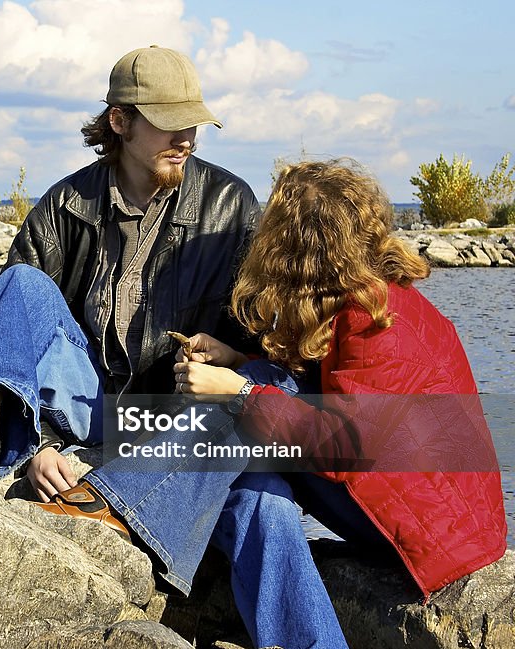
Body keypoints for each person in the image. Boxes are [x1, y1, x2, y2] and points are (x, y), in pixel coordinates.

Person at [39, 159, 508, 648]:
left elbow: (348, 444)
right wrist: (235, 357)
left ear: (299, 249)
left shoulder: (378, 320)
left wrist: (237, 389)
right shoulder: (369, 294)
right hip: (420, 505)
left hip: (432, 529)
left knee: (254, 392)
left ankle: (118, 501)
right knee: (258, 495)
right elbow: (324, 384)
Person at [0, 45, 260, 499]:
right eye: (169, 123)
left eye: (192, 122)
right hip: (85, 402)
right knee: (20, 284)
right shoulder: (65, 203)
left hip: (172, 417)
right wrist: (40, 443)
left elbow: (258, 348)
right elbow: (16, 334)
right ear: (119, 121)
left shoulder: (231, 207)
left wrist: (224, 358)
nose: (186, 137)